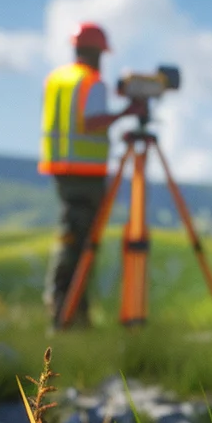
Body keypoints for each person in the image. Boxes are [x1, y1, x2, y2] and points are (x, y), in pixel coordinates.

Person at [40, 22, 146, 329]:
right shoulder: (91, 82)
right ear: (98, 52)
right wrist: (125, 113)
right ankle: (69, 313)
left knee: (73, 239)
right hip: (86, 174)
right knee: (83, 245)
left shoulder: (58, 79)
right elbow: (92, 122)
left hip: (62, 170)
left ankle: (69, 310)